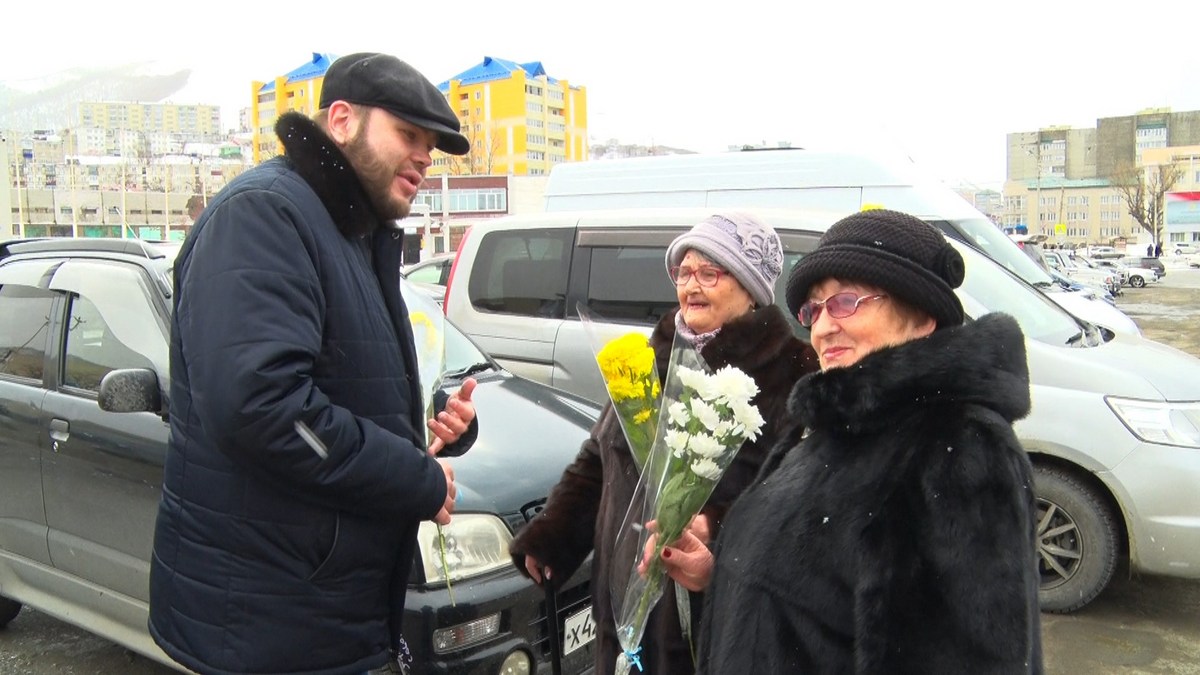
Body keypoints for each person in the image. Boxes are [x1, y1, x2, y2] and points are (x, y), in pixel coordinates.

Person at [148, 52, 480, 675]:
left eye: (430, 147)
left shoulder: (351, 233)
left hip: (320, 609)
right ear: (342, 119)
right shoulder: (266, 216)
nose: (423, 158)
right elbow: (263, 408)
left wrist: (428, 426)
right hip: (267, 620)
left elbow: (345, 382)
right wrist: (413, 477)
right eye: (408, 135)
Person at [657, 209, 1044, 673]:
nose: (822, 327)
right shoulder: (835, 425)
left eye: (845, 301)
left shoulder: (957, 450)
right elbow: (821, 596)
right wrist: (719, 571)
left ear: (921, 316)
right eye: (814, 309)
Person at [508, 212, 820, 674]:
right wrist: (553, 535)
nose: (691, 286)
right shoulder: (649, 358)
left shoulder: (790, 370)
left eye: (709, 273)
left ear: (751, 288)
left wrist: (714, 526)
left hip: (709, 622)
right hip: (622, 608)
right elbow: (601, 457)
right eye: (684, 272)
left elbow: (797, 498)